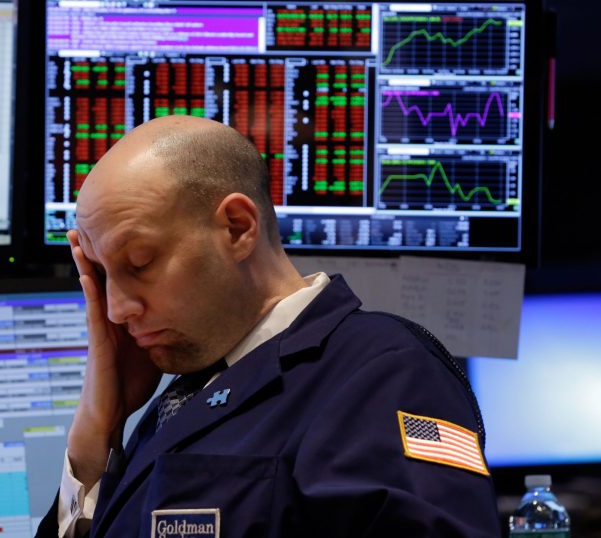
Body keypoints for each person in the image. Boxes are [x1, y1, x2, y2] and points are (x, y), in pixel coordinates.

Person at [36, 115, 501, 538]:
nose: (116, 309)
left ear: (238, 228)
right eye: (101, 274)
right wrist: (92, 445)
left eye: (140, 262)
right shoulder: (177, 402)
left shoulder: (386, 373)